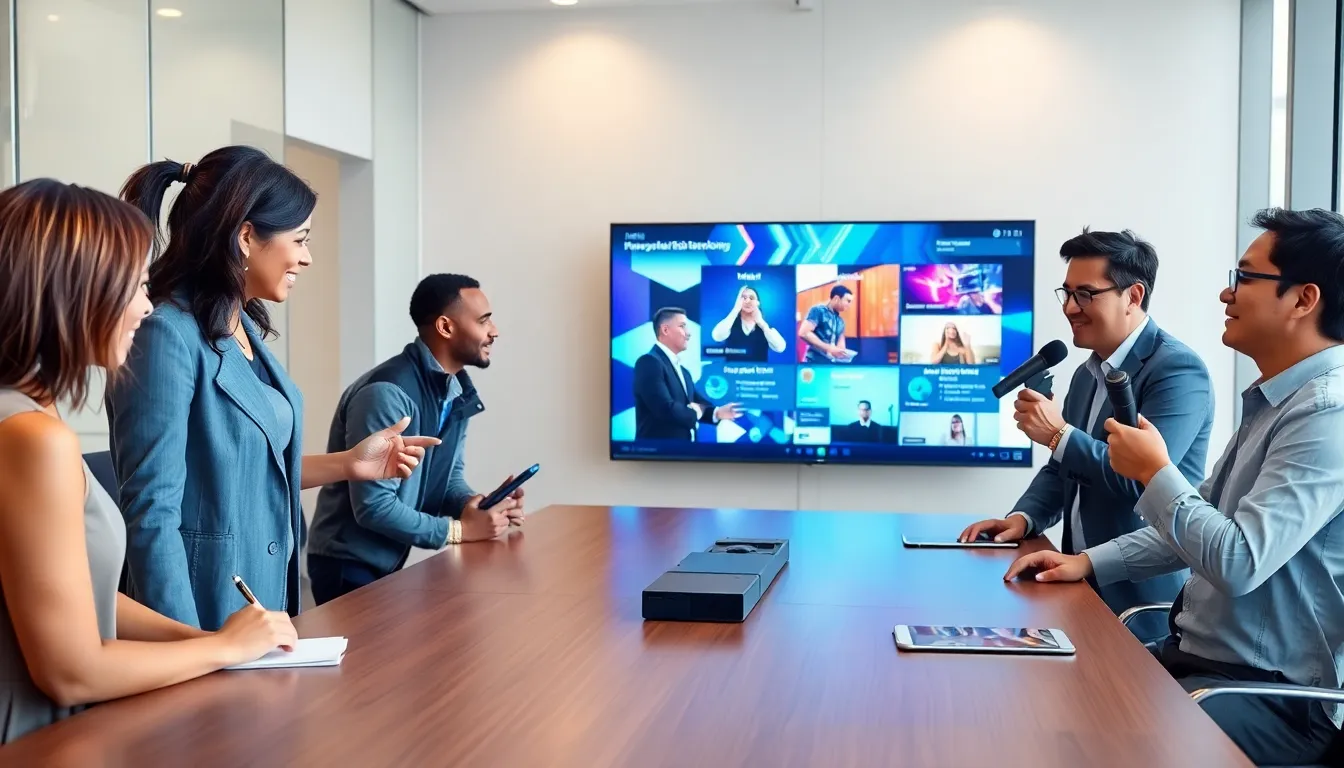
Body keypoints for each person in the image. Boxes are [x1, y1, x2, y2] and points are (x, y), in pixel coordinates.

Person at [1005, 208, 1344, 766]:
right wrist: (1086, 563)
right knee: (1047, 711)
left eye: (1244, 278)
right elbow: (1189, 519)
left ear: (1304, 299)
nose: (1224, 294)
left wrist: (1153, 473)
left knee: (1104, 739)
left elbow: (1238, 560)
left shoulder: (1324, 413)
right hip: (1194, 659)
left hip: (1268, 695)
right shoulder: (1276, 400)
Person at [0, 179, 298, 744]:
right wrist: (219, 647)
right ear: (74, 290)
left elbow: (76, 588)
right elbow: (70, 672)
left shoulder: (25, 418)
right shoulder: (34, 438)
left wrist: (200, 641)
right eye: (135, 286)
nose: (145, 307)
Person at [107, 146, 437, 631]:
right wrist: (186, 644)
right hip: (201, 610)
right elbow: (152, 512)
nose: (306, 257)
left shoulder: (240, 329)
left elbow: (246, 471)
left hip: (263, 602)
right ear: (245, 236)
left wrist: (350, 464)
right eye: (300, 239)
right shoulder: (167, 335)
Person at [961, 228, 1213, 641]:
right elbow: (1063, 469)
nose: (1071, 308)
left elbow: (1139, 480)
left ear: (1133, 296)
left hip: (1139, 603)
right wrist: (1022, 518)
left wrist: (1058, 435)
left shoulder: (1178, 371)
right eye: (1067, 293)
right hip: (1077, 584)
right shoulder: (1086, 372)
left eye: (1085, 294)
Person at [306, 274, 524, 605]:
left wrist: (476, 506)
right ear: (446, 327)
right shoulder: (387, 395)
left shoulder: (455, 391)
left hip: (384, 562)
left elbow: (446, 479)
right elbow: (374, 507)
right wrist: (460, 532)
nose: (494, 331)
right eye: (484, 320)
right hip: (346, 567)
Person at [634, 307, 741, 440]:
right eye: (682, 326)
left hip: (685, 453)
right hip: (659, 455)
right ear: (665, 330)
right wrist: (696, 412)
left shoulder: (684, 372)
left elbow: (697, 402)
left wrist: (718, 412)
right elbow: (665, 408)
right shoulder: (649, 362)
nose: (688, 333)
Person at [710, 285, 786, 362]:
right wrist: (735, 309)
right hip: (732, 371)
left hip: (760, 372)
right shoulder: (729, 324)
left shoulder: (766, 328)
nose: (747, 301)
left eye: (751, 298)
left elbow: (780, 348)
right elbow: (717, 336)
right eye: (744, 298)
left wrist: (762, 324)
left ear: (758, 303)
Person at [799, 285, 855, 363]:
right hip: (813, 362)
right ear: (836, 299)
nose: (849, 305)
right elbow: (804, 333)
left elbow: (840, 347)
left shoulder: (841, 322)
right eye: (848, 301)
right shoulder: (818, 311)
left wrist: (843, 354)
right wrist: (829, 348)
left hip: (830, 365)